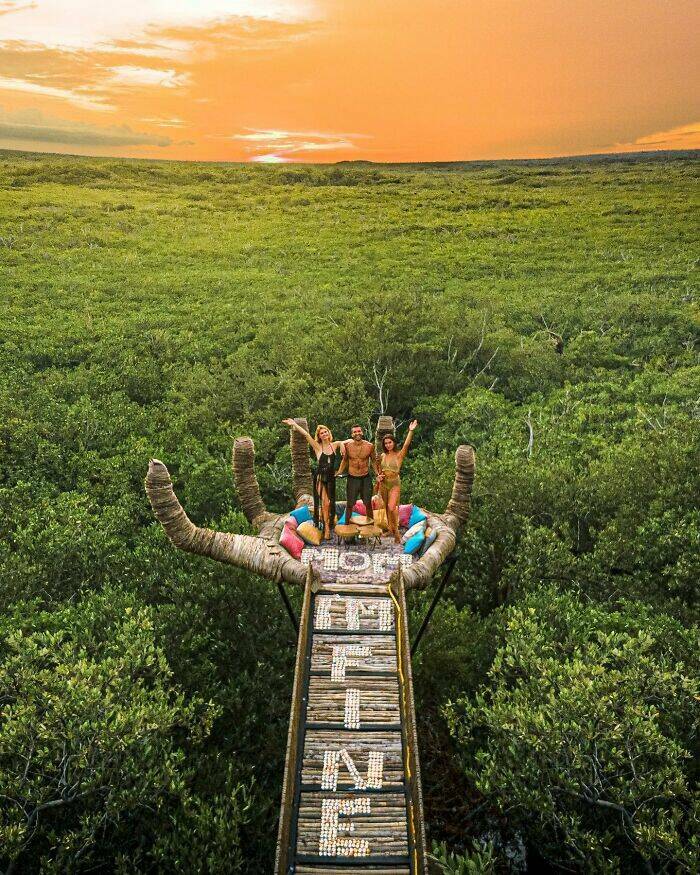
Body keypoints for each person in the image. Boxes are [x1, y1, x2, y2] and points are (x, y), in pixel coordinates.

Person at [282, 419, 344, 540]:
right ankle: (326, 528)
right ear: (319, 436)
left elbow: (346, 441)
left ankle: (328, 522)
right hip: (320, 478)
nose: (324, 434)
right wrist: (294, 424)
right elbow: (306, 435)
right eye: (322, 433)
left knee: (330, 503)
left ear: (329, 433)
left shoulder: (335, 445)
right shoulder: (317, 446)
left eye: (325, 432)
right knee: (325, 503)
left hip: (331, 479)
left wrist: (342, 444)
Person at [378, 419, 418, 542]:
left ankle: (396, 532)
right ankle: (390, 529)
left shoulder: (399, 455)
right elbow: (380, 470)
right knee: (386, 507)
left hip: (394, 483)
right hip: (383, 483)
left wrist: (411, 431)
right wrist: (378, 477)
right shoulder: (382, 456)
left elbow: (406, 445)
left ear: (394, 443)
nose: (388, 445)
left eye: (390, 442)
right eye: (385, 443)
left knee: (391, 507)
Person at [337, 425, 380, 524]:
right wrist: (339, 472)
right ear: (352, 434)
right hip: (352, 478)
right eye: (355, 432)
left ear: (362, 432)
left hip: (365, 478)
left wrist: (377, 473)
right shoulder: (348, 446)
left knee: (368, 503)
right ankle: (346, 525)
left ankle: (371, 525)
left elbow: (373, 461)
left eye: (359, 431)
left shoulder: (369, 446)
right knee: (350, 504)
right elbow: (344, 460)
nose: (357, 433)